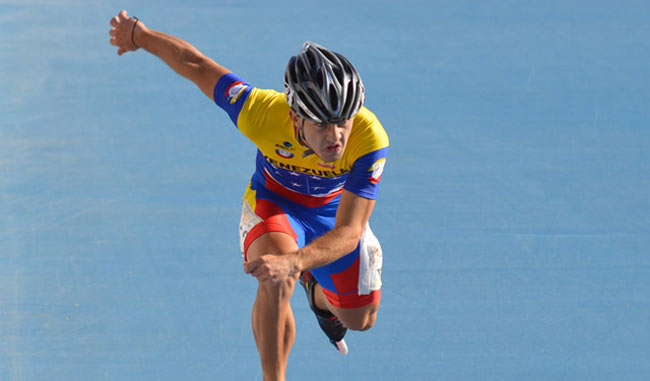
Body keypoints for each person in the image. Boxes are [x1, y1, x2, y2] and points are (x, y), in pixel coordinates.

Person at [109, 10, 388, 380]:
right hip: (275, 206)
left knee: (360, 319)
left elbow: (350, 231)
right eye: (321, 124)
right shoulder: (260, 112)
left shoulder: (370, 138)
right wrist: (138, 35)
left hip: (334, 219)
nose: (336, 136)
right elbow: (196, 64)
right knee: (275, 278)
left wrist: (297, 263)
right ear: (295, 119)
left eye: (343, 122)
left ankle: (318, 296)